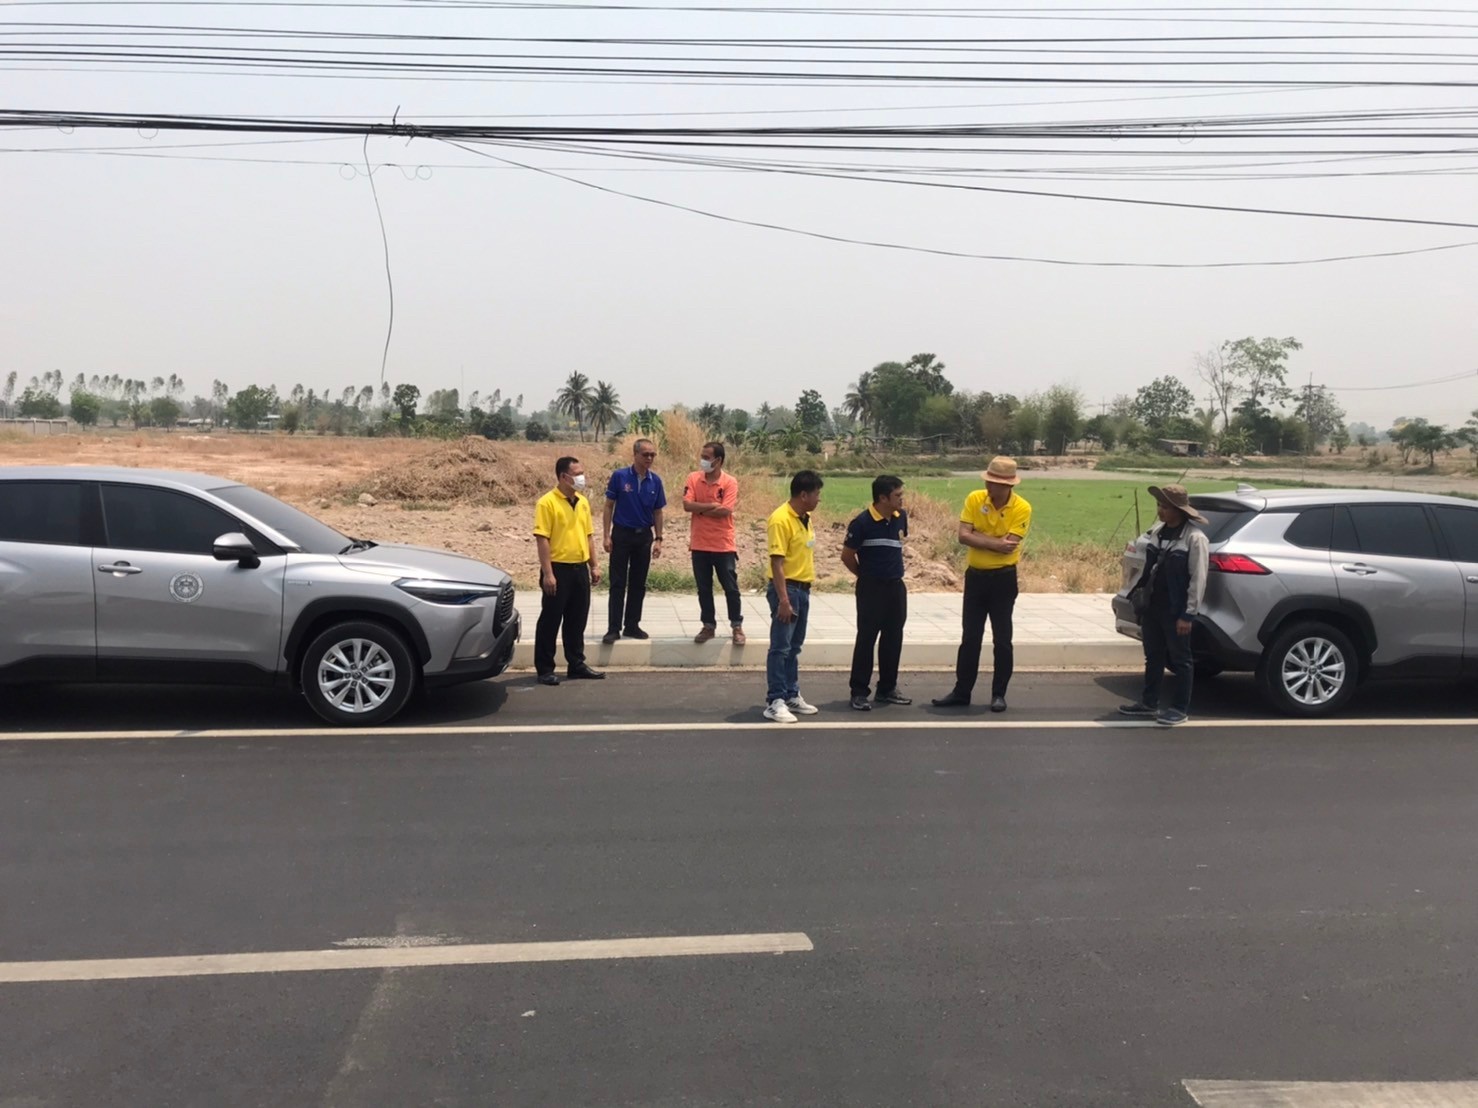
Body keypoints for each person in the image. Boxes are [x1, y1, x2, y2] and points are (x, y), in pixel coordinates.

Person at [933, 456, 1032, 712]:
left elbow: (1009, 546)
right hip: (975, 577)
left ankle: (999, 694)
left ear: (1008, 485)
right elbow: (963, 536)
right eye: (988, 480)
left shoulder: (1022, 507)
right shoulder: (975, 498)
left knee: (1002, 639)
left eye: (994, 483)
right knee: (970, 637)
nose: (988, 486)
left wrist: (979, 537)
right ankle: (962, 691)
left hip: (1003, 579)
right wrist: (994, 542)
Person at [1119, 484, 1210, 727]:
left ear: (1179, 510)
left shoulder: (1195, 539)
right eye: (1159, 505)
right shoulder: (1157, 532)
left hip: (1176, 609)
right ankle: (1149, 703)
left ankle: (1180, 708)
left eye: (1166, 507)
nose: (1160, 511)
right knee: (1153, 656)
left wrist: (1188, 615)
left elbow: (1198, 579)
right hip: (1152, 607)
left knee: (1181, 659)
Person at [532, 456, 604, 686]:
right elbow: (542, 539)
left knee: (577, 619)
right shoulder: (547, 503)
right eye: (577, 474)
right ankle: (545, 668)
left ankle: (576, 664)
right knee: (550, 620)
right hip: (558, 569)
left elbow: (588, 536)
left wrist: (594, 565)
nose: (582, 478)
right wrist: (548, 573)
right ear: (564, 477)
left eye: (582, 473)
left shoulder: (582, 502)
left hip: (579, 568)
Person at [842, 475, 911, 711]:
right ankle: (859, 691)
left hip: (895, 587)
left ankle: (887, 689)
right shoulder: (861, 523)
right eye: (897, 495)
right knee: (867, 638)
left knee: (893, 638)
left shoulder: (900, 517)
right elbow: (847, 556)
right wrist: (864, 575)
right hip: (871, 588)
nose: (902, 499)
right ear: (882, 498)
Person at [763, 470, 824, 724]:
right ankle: (775, 700)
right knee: (780, 647)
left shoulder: (805, 518)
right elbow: (777, 563)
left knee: (794, 647)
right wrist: (784, 600)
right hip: (787, 590)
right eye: (817, 494)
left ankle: (791, 694)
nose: (819, 499)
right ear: (804, 494)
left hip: (803, 588)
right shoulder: (781, 519)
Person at [602, 438, 666, 645]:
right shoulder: (620, 476)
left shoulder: (655, 481)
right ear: (635, 454)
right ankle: (613, 628)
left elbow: (658, 511)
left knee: (638, 583)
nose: (649, 458)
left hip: (643, 537)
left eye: (652, 455)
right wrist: (606, 535)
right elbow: (609, 505)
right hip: (622, 535)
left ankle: (632, 624)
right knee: (617, 583)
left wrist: (659, 539)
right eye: (645, 454)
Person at [683, 440, 745, 645]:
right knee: (704, 588)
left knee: (731, 588)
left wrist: (699, 509)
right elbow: (687, 505)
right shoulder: (693, 478)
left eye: (706, 457)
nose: (703, 461)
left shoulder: (730, 482)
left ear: (718, 460)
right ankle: (708, 626)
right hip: (699, 544)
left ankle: (736, 625)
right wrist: (711, 505)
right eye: (702, 457)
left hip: (723, 544)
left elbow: (726, 510)